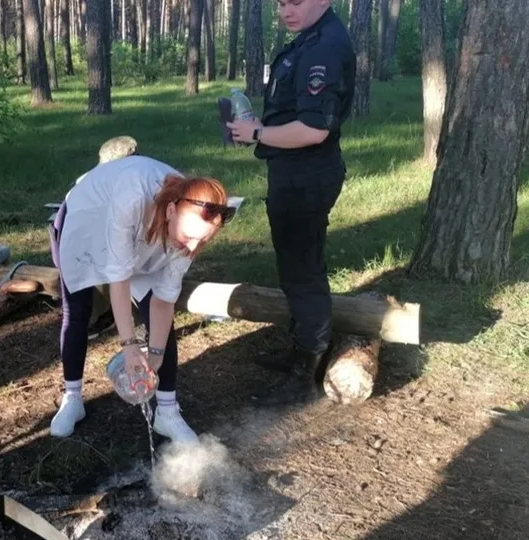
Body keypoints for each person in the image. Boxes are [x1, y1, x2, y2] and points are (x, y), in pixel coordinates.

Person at [47, 155, 235, 443]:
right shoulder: (132, 196)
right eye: (190, 237)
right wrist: (130, 346)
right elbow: (118, 283)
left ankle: (168, 412)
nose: (193, 247)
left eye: (203, 241)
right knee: (78, 310)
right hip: (88, 222)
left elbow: (163, 301)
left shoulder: (189, 228)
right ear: (171, 210)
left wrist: (155, 355)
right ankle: (72, 398)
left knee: (157, 316)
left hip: (147, 235)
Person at [226, 0, 356, 406]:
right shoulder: (308, 41)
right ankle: (301, 351)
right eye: (280, 2)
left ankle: (306, 376)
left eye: (295, 2)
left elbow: (314, 129)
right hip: (294, 173)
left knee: (303, 272)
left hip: (307, 175)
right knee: (295, 265)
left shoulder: (323, 48)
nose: (285, 10)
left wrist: (257, 133)